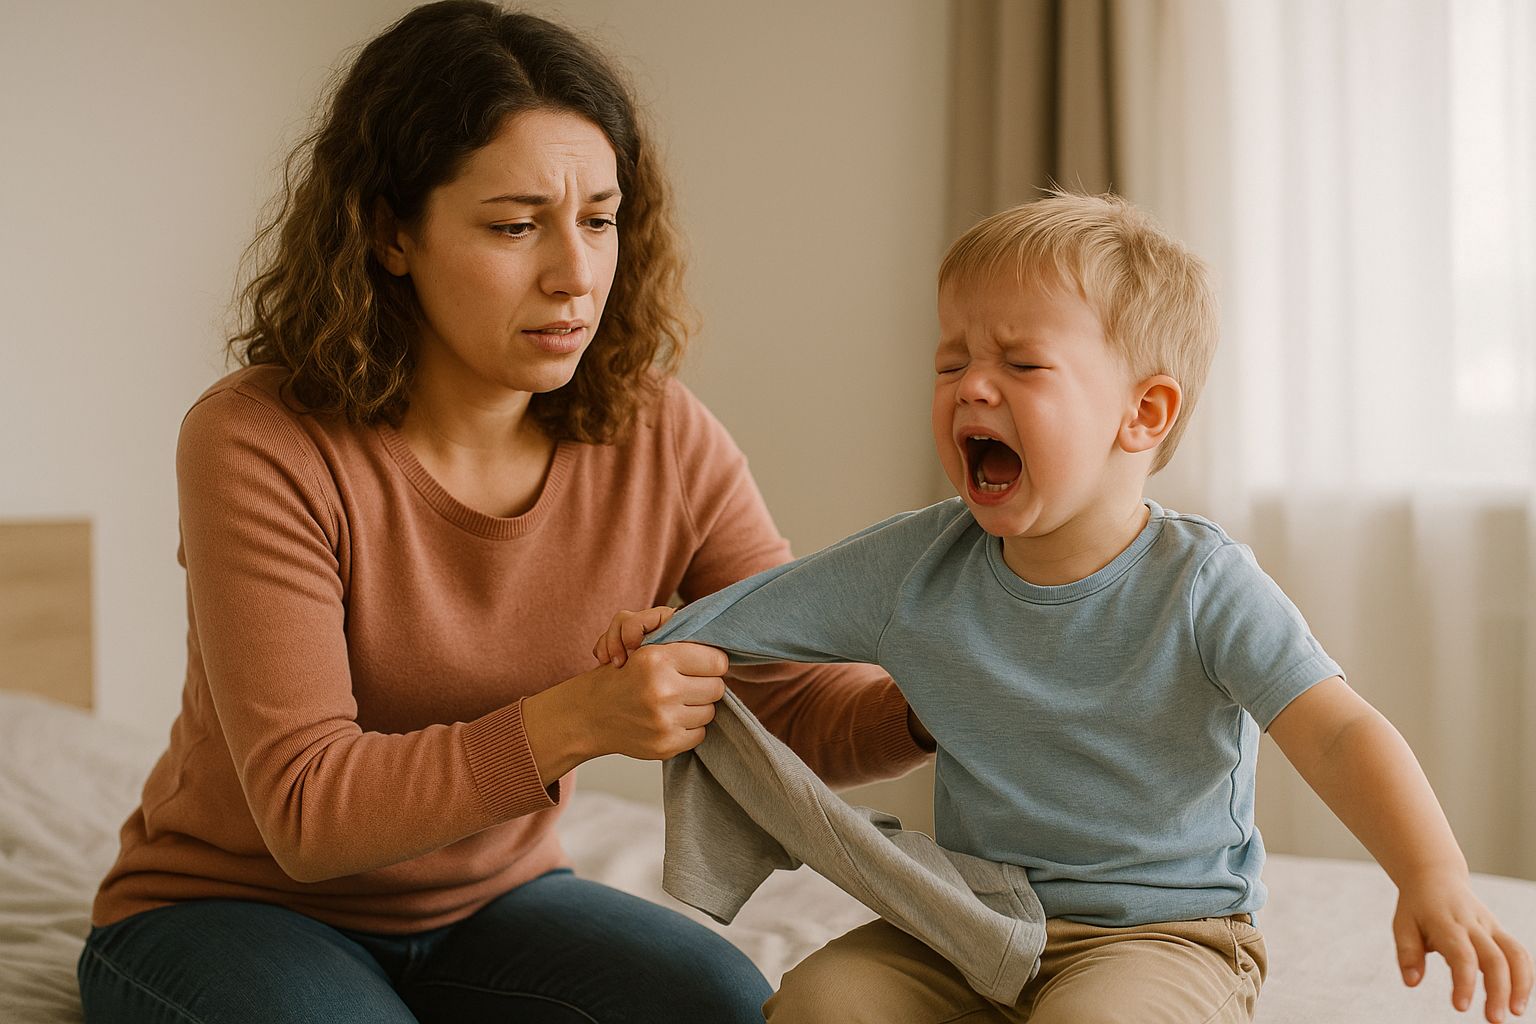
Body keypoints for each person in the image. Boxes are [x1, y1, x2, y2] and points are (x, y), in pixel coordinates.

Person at [75, 3, 933, 1022]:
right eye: (515, 226)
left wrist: (945, 696)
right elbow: (306, 810)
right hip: (228, 908)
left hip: (493, 902)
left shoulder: (660, 432)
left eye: (599, 220)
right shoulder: (259, 439)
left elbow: (793, 706)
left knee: (725, 1003)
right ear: (391, 233)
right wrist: (583, 717)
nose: (575, 275)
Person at [595, 192, 1536, 1024]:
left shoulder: (1202, 584)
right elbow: (758, 612)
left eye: (1022, 364)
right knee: (820, 1002)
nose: (972, 385)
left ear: (1144, 414)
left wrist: (1432, 874)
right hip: (970, 921)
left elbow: (1337, 733)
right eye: (952, 362)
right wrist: (670, 635)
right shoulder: (916, 564)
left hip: (1164, 937)